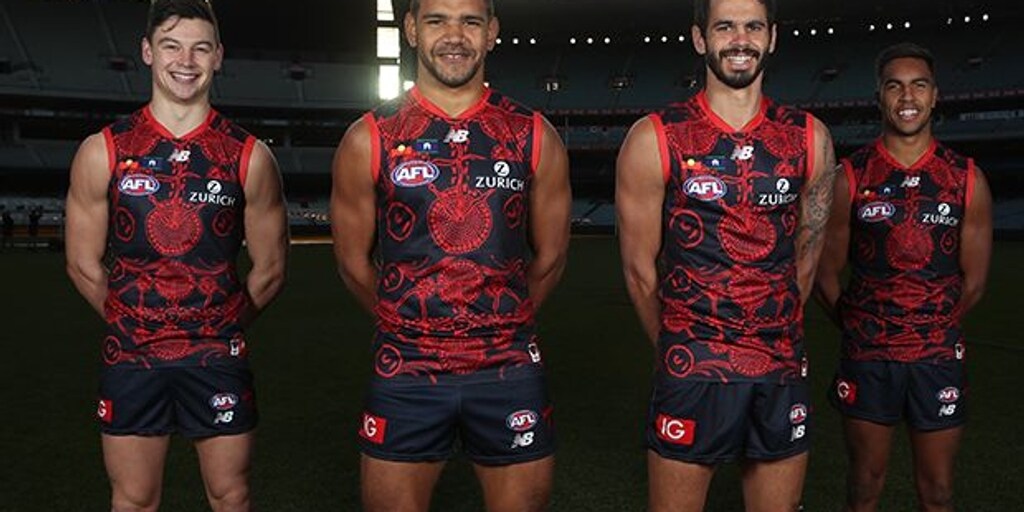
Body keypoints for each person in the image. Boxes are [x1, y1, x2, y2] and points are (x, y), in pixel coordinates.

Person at [331, 0, 571, 509]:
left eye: (471, 21)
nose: (455, 35)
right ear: (412, 29)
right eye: (437, 20)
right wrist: (406, 324)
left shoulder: (533, 134)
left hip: (507, 363)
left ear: (492, 32)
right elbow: (352, 263)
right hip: (407, 364)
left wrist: (503, 324)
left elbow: (550, 256)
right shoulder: (369, 137)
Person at [64, 1, 288, 510]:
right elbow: (81, 263)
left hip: (216, 356)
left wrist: (217, 327)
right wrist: (133, 322)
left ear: (218, 57)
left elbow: (272, 270)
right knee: (134, 498)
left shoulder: (250, 155)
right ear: (147, 52)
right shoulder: (104, 150)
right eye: (171, 46)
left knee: (231, 495)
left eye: (200, 48)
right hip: (132, 353)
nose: (185, 61)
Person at [615, 0, 836, 510]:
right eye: (725, 27)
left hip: (779, 366)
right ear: (700, 38)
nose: (740, 40)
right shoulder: (655, 136)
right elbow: (639, 271)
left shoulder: (810, 137)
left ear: (772, 37)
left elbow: (806, 259)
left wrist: (769, 333)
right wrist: (680, 349)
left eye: (753, 26)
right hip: (693, 367)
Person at [814, 43, 992, 512]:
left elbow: (974, 282)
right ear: (879, 97)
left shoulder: (966, 179)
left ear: (935, 96)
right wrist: (860, 325)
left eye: (919, 85)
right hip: (869, 356)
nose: (907, 97)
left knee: (938, 492)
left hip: (937, 357)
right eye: (895, 86)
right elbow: (824, 271)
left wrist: (930, 326)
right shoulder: (850, 176)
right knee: (864, 487)